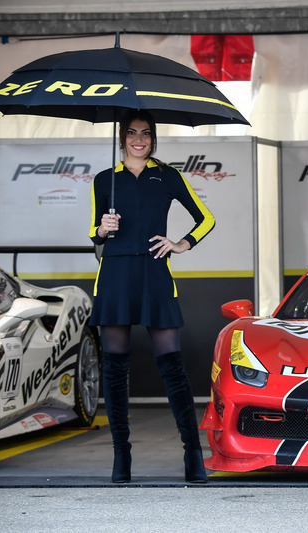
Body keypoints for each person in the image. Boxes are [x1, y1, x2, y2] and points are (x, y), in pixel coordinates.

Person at [89, 109, 215, 484]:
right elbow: (94, 234)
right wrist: (102, 228)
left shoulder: (168, 176)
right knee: (114, 371)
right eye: (131, 133)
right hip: (114, 274)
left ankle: (193, 454)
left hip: (154, 273)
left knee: (172, 368)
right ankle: (121, 458)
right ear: (122, 137)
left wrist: (181, 243)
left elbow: (205, 217)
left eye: (145, 133)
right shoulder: (104, 180)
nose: (138, 139)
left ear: (153, 137)